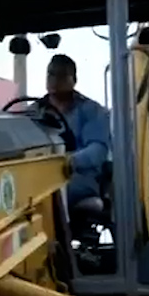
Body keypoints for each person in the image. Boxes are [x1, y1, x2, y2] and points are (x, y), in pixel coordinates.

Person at [42, 53, 111, 210]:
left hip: (78, 177)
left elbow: (98, 150)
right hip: (41, 176)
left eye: (60, 75)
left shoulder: (91, 110)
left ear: (74, 80)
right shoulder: (35, 111)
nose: (54, 80)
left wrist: (70, 161)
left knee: (50, 192)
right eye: (51, 74)